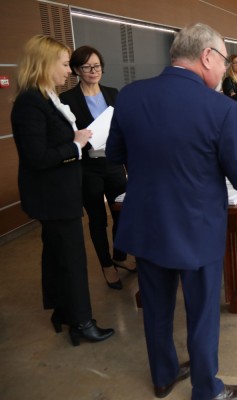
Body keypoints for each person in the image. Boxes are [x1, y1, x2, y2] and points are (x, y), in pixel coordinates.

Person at [106, 23, 237, 400]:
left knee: (156, 307)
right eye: (223, 60)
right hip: (197, 228)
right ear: (206, 56)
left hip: (147, 223)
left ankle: (163, 375)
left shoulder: (129, 96)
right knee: (202, 312)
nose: (225, 68)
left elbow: (114, 155)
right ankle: (206, 389)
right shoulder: (221, 108)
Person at [11, 35, 114, 346]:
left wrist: (74, 140)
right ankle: (82, 322)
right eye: (66, 64)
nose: (70, 71)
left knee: (57, 256)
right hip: (53, 196)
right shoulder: (31, 102)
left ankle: (62, 312)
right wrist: (76, 145)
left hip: (59, 192)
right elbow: (37, 157)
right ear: (45, 64)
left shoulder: (45, 98)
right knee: (72, 260)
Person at [60, 46, 134, 291]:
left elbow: (123, 128)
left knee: (122, 211)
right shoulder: (67, 99)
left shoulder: (113, 93)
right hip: (88, 167)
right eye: (87, 67)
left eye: (97, 66)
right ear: (76, 70)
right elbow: (64, 135)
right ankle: (106, 265)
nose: (93, 71)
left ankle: (119, 256)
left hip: (113, 163)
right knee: (97, 218)